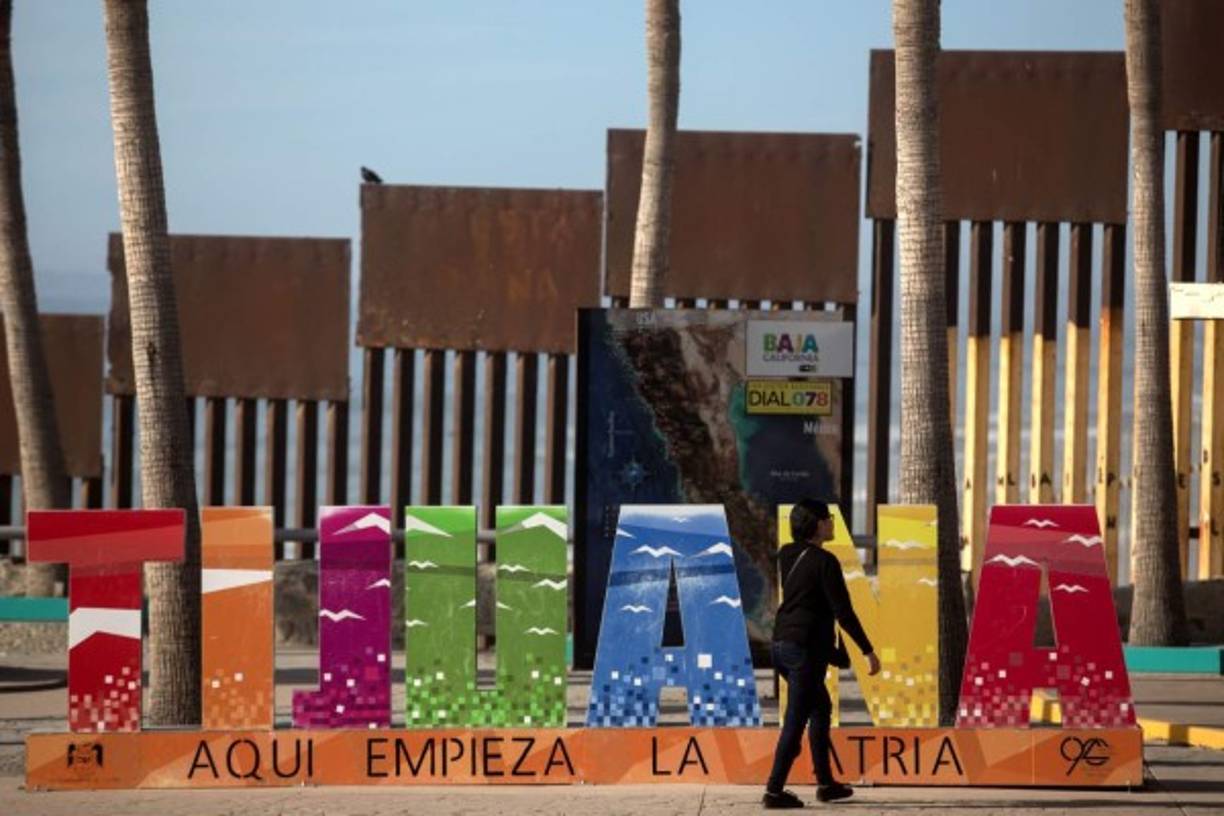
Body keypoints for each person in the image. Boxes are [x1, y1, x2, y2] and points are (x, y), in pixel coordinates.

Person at [763, 498, 880, 809]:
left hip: (781, 645)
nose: (832, 523)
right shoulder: (825, 562)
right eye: (828, 518)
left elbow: (810, 602)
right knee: (795, 720)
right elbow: (844, 613)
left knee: (820, 708)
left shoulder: (787, 554)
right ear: (816, 524)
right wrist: (868, 651)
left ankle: (826, 784)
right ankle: (773, 791)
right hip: (803, 650)